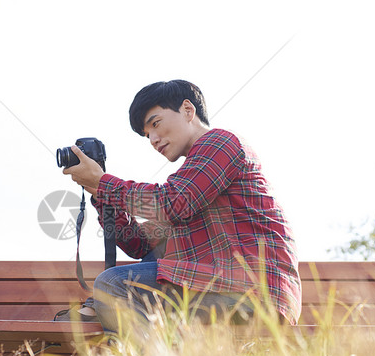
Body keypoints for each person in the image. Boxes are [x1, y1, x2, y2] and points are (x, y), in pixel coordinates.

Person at [62, 79, 300, 335]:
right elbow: (138, 243)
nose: (153, 139)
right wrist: (100, 194)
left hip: (252, 290)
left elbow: (172, 203)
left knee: (112, 286)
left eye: (156, 124)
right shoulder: (191, 177)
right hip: (221, 287)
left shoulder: (221, 143)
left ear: (188, 110)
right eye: (146, 135)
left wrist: (104, 183)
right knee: (126, 279)